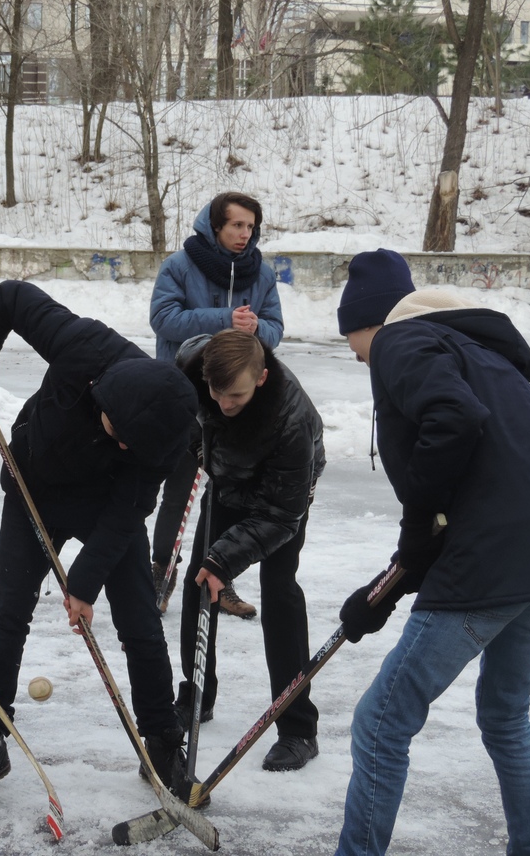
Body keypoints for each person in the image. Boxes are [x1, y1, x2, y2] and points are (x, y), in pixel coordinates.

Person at [334, 249, 530, 856]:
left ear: (372, 321)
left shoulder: (401, 343)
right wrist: (392, 583)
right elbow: (466, 485)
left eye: (352, 337)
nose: (354, 352)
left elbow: (452, 420)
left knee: (381, 722)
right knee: (504, 716)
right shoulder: (474, 349)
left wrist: (418, 513)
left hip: (491, 558)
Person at [0, 279, 199, 802]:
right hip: (32, 487)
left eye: (135, 444)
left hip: (106, 505)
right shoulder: (83, 343)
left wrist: (83, 585)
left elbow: (127, 513)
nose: (125, 444)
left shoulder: (164, 435)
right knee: (8, 612)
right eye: (120, 432)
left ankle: (162, 741)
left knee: (140, 621)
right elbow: (10, 298)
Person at [172, 329, 325, 772]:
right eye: (216, 393)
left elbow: (280, 514)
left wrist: (226, 559)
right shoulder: (194, 369)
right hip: (227, 477)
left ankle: (298, 728)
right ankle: (196, 696)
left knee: (278, 591)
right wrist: (198, 449)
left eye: (235, 394)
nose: (223, 404)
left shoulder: (291, 418)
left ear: (260, 378)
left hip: (283, 494)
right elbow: (184, 415)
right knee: (198, 581)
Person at [149, 191, 284, 620]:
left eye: (250, 226)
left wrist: (257, 329)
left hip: (238, 402)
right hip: (185, 395)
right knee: (178, 488)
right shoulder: (179, 265)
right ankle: (160, 573)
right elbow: (163, 319)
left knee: (230, 492)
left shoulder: (260, 273)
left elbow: (276, 329)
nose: (245, 234)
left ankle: (219, 577)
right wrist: (223, 320)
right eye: (236, 225)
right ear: (214, 226)